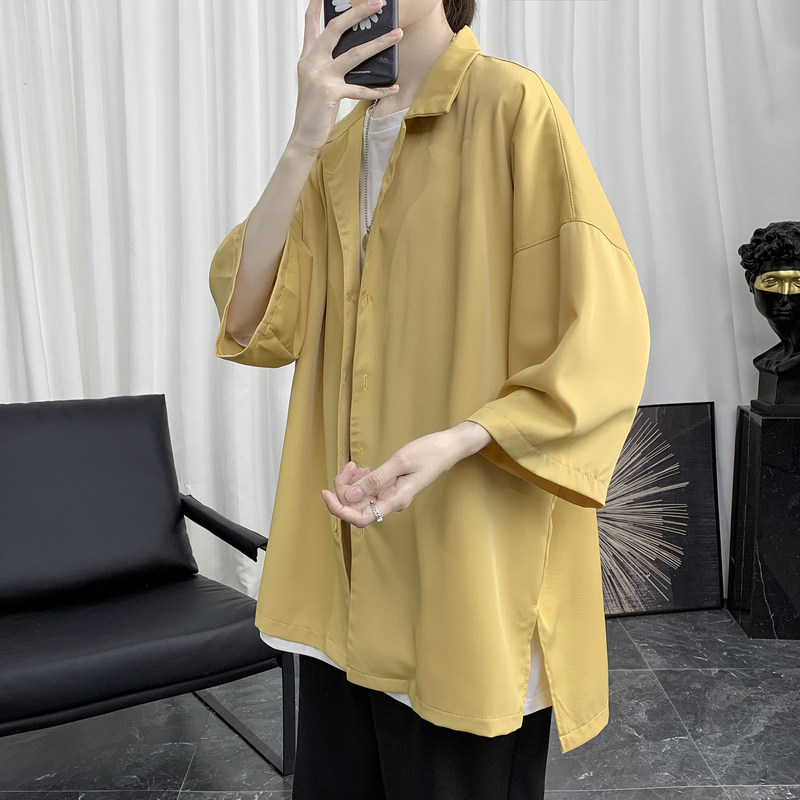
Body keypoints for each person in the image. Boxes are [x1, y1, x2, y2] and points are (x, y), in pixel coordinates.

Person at [208, 0, 650, 797]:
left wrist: (460, 438)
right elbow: (250, 318)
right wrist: (304, 135)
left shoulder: (512, 106)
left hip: (468, 567)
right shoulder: (336, 148)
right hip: (342, 574)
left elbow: (602, 332)